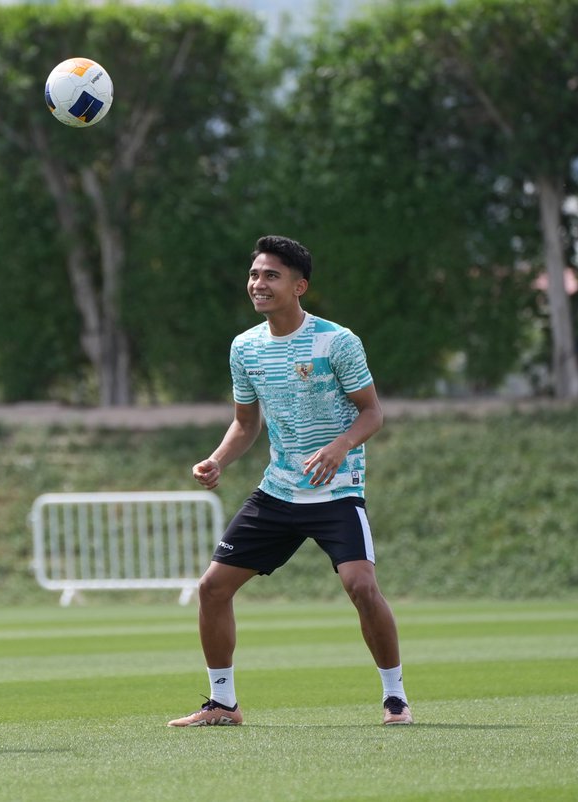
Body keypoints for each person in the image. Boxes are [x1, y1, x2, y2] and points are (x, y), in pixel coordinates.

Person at [167, 235, 412, 728]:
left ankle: (395, 698)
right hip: (278, 492)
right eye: (255, 274)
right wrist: (217, 460)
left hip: (337, 489)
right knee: (212, 588)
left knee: (361, 586)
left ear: (299, 286)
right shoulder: (245, 347)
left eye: (271, 275)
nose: (258, 283)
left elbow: (372, 413)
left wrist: (340, 445)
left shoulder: (337, 341)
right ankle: (223, 704)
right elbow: (245, 423)